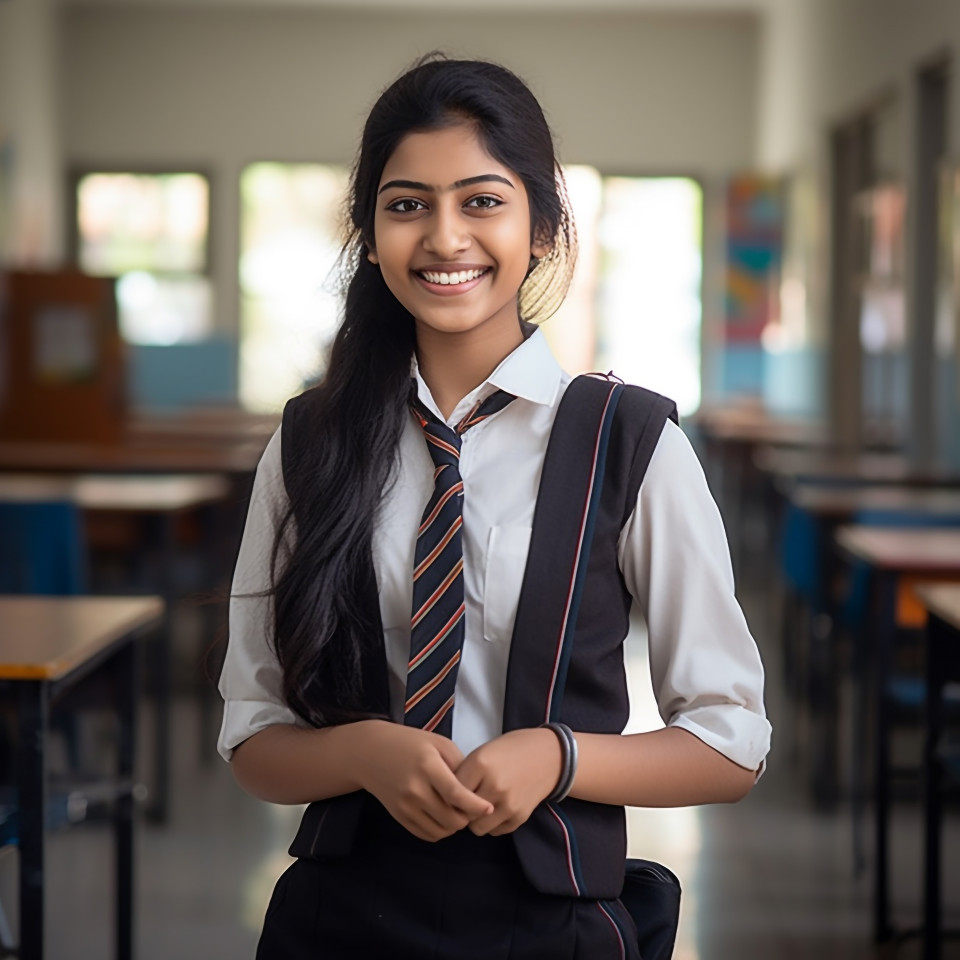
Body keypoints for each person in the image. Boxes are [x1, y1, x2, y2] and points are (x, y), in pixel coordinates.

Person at [218, 54, 772, 960]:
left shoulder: (630, 444)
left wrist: (561, 757)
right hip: (339, 922)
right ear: (370, 235)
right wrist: (364, 752)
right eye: (407, 205)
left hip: (551, 924)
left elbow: (731, 743)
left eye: (482, 201)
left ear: (542, 227)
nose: (444, 238)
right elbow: (253, 735)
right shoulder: (310, 442)